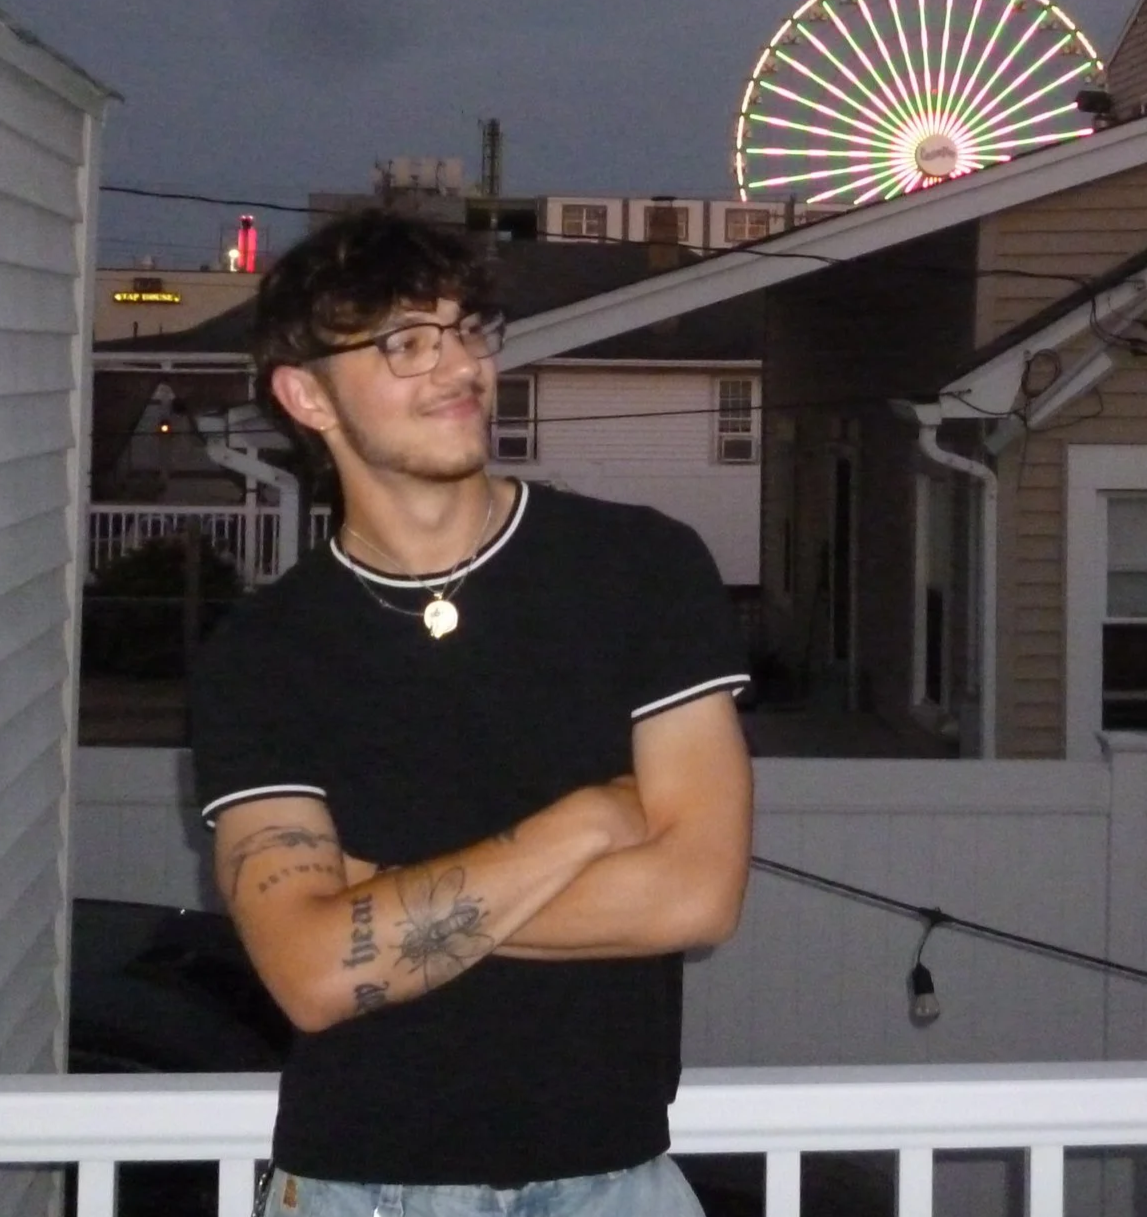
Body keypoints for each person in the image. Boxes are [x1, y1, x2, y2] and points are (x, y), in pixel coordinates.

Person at [189, 209, 754, 1217]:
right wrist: (581, 823)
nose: (458, 366)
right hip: (360, 1186)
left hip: (615, 1180)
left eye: (467, 330)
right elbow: (313, 975)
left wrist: (379, 899)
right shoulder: (264, 653)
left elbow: (694, 896)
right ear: (306, 394)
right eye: (406, 342)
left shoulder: (640, 569)